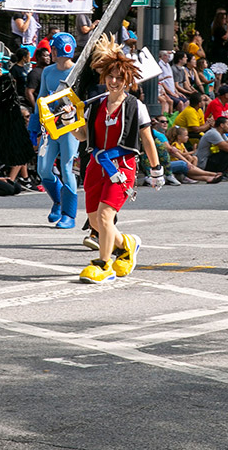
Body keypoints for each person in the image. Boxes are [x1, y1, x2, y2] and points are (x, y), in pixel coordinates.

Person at [71, 37, 162, 283]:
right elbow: (84, 135)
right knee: (95, 222)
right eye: (110, 76)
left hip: (121, 168)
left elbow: (147, 140)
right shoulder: (96, 105)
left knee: (104, 217)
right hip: (95, 167)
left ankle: (104, 265)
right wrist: (68, 122)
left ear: (127, 81)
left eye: (119, 78)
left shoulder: (136, 106)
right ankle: (127, 245)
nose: (113, 81)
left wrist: (156, 170)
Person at [31, 32, 80, 229]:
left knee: (67, 167)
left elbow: (83, 101)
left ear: (58, 50)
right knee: (43, 168)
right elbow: (41, 97)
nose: (51, 52)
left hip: (69, 126)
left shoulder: (78, 71)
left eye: (53, 49)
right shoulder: (47, 71)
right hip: (50, 125)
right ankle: (59, 201)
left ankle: (69, 214)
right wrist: (34, 125)